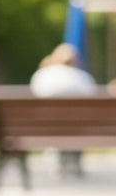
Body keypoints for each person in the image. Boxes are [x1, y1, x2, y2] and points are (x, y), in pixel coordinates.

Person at [29, 42, 97, 176]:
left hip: (48, 126)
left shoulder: (42, 75)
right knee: (77, 120)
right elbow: (92, 96)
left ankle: (58, 161)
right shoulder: (82, 77)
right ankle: (74, 162)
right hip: (77, 127)